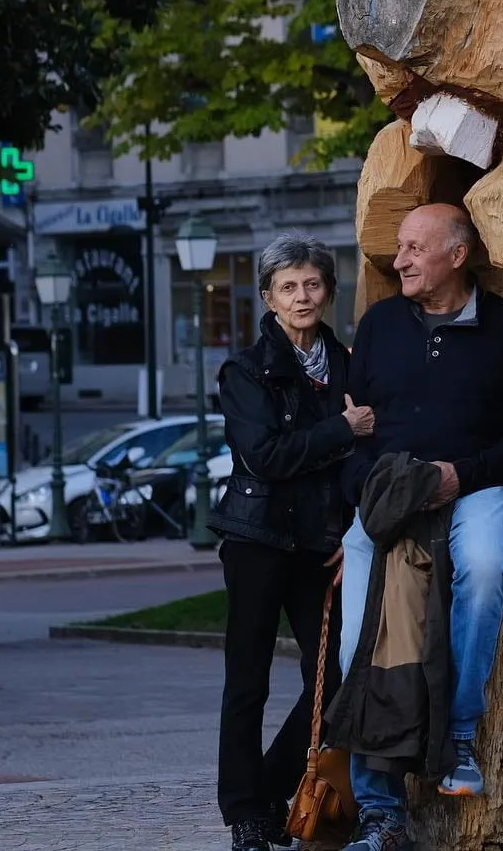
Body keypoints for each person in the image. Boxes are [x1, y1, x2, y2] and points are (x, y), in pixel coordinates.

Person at [339, 203, 503, 851]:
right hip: (389, 498)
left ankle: (460, 737)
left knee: (481, 567)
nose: (400, 261)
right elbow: (357, 425)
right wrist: (367, 495)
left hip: (474, 486)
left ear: (457, 254)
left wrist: (463, 472)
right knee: (358, 647)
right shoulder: (379, 325)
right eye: (400, 248)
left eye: (416, 248)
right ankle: (380, 813)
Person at [209, 232, 377, 851]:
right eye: (288, 287)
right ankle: (245, 814)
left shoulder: (354, 366)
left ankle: (272, 784)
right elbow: (265, 456)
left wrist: (355, 527)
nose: (301, 296)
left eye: (312, 284)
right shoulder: (245, 371)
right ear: (269, 299)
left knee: (334, 674)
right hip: (256, 536)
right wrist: (341, 427)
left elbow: (369, 456)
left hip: (322, 545)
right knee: (247, 679)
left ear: (329, 292)